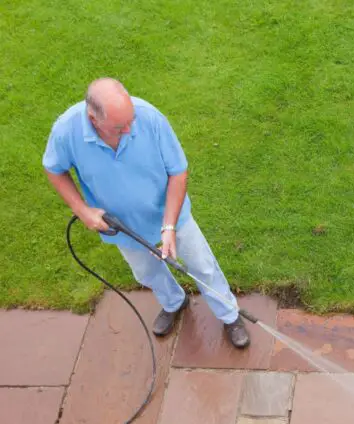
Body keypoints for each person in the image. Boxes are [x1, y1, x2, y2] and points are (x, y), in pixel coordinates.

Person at [42, 77, 250, 348]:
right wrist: (81, 210)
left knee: (202, 265)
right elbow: (54, 169)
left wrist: (169, 227)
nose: (129, 129)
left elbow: (178, 172)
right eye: (120, 127)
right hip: (123, 226)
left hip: (170, 215)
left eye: (131, 120)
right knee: (147, 272)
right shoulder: (66, 132)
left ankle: (229, 315)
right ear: (94, 119)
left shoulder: (149, 118)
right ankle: (174, 302)